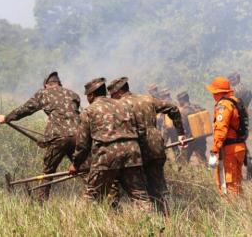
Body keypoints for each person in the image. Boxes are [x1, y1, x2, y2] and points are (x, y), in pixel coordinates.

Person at [0, 71, 80, 201]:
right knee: (86, 169)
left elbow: (26, 109)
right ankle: (102, 198)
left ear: (46, 85)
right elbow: (71, 117)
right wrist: (46, 141)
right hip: (79, 137)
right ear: (59, 84)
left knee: (48, 172)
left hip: (58, 138)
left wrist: (6, 118)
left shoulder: (43, 93)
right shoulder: (73, 95)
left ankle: (41, 203)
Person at [107, 77, 186, 215]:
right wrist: (180, 133)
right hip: (156, 146)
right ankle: (165, 218)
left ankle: (148, 220)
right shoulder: (147, 99)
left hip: (136, 148)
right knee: (157, 186)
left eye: (112, 94)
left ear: (118, 92)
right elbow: (173, 108)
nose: (112, 97)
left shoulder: (118, 105)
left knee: (138, 188)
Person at [68, 77, 151, 209]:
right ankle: (153, 224)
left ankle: (81, 225)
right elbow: (141, 130)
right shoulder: (124, 105)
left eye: (87, 96)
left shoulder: (89, 111)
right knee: (139, 195)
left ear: (91, 95)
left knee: (92, 196)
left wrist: (75, 164)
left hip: (106, 155)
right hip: (132, 153)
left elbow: (83, 144)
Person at [206, 77, 248, 195]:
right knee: (237, 183)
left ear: (218, 92)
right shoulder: (236, 102)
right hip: (239, 147)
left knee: (228, 185)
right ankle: (240, 209)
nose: (213, 95)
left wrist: (215, 149)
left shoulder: (223, 106)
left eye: (214, 92)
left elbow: (220, 129)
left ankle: (231, 210)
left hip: (229, 150)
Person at [228, 72, 252, 179]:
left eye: (232, 79)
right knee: (241, 145)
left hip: (238, 121)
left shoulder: (237, 90)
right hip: (243, 119)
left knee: (237, 146)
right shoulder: (245, 89)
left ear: (238, 78)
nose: (230, 81)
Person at [176, 91, 208, 163]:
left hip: (190, 140)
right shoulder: (198, 107)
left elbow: (183, 127)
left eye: (179, 101)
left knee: (183, 161)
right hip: (201, 138)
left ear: (182, 100)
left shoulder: (184, 112)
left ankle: (183, 174)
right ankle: (207, 173)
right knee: (202, 159)